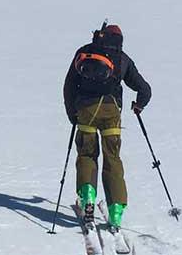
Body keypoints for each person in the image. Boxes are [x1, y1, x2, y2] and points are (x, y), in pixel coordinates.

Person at [62, 23, 151, 229]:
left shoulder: (84, 52)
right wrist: (139, 105)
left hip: (85, 111)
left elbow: (68, 86)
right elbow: (144, 89)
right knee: (113, 158)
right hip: (111, 113)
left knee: (86, 155)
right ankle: (116, 211)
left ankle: (88, 199)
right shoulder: (123, 59)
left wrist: (72, 114)